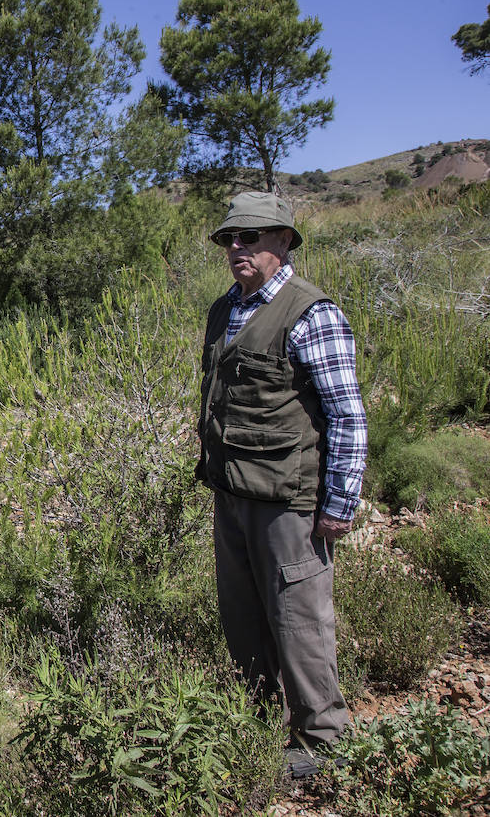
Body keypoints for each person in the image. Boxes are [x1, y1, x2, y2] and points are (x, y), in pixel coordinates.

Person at [196, 191, 367, 779]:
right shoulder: (226, 309)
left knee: (298, 619)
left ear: (284, 240)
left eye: (250, 237)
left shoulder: (310, 312)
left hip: (289, 503)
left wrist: (339, 504)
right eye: (229, 240)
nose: (236, 248)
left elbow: (346, 413)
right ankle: (258, 722)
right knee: (241, 615)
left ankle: (323, 739)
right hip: (232, 493)